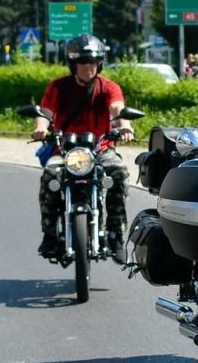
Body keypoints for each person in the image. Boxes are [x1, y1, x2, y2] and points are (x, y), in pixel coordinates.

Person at [32, 34, 134, 259]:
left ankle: (115, 232)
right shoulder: (58, 87)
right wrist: (41, 128)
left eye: (93, 62)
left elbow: (117, 109)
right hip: (66, 150)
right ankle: (49, 234)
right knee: (50, 175)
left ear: (100, 63)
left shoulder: (108, 87)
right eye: (82, 62)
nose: (88, 67)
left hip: (100, 149)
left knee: (119, 173)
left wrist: (125, 126)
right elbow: (45, 113)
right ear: (73, 64)